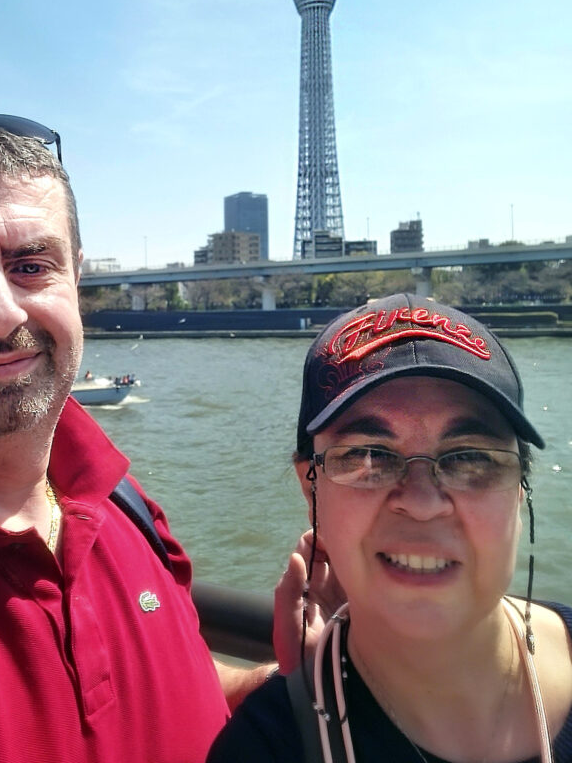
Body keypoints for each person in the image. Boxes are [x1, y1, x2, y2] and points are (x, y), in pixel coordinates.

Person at [0, 108, 275, 763]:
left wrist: (273, 687)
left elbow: (173, 679)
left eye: (32, 265)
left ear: (76, 281)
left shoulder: (133, 510)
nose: (1, 312)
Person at [208, 293, 572, 763]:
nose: (421, 503)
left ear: (521, 488)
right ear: (311, 491)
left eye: (470, 457)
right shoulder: (265, 748)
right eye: (367, 456)